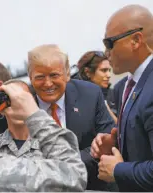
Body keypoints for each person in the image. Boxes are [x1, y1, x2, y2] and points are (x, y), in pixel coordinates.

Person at [27, 44, 116, 191]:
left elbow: (106, 144)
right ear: (30, 77)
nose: (48, 83)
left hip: (91, 185)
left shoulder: (90, 95)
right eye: (40, 77)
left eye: (54, 75)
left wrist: (63, 165)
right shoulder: (21, 104)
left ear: (67, 74)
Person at [91, 4, 153, 191]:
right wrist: (116, 144)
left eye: (109, 43)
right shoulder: (125, 86)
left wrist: (118, 170)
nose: (106, 52)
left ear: (136, 40)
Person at [77, 51, 117, 123]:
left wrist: (104, 106)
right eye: (104, 70)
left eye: (109, 70)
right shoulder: (75, 96)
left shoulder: (114, 94)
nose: (109, 75)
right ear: (87, 72)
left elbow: (120, 128)